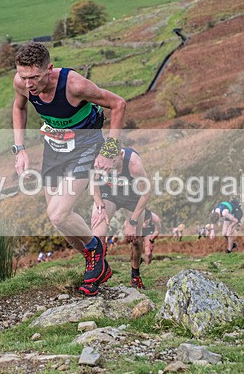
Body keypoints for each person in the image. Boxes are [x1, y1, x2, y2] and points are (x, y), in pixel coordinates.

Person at [12, 42, 126, 296]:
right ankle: (97, 265)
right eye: (23, 76)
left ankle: (96, 251)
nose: (28, 84)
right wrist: (19, 149)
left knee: (58, 214)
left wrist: (109, 150)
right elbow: (19, 107)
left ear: (49, 69)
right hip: (54, 147)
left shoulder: (74, 85)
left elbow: (119, 104)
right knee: (60, 222)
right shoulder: (21, 83)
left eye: (34, 77)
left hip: (85, 145)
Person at [90, 147, 151, 289]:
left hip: (133, 197)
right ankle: (97, 273)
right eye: (106, 162)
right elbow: (94, 183)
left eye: (113, 162)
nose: (109, 166)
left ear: (121, 155)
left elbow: (146, 194)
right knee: (98, 231)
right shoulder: (100, 159)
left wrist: (133, 221)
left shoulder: (134, 164)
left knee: (136, 240)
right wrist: (100, 205)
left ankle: (135, 275)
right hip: (109, 193)